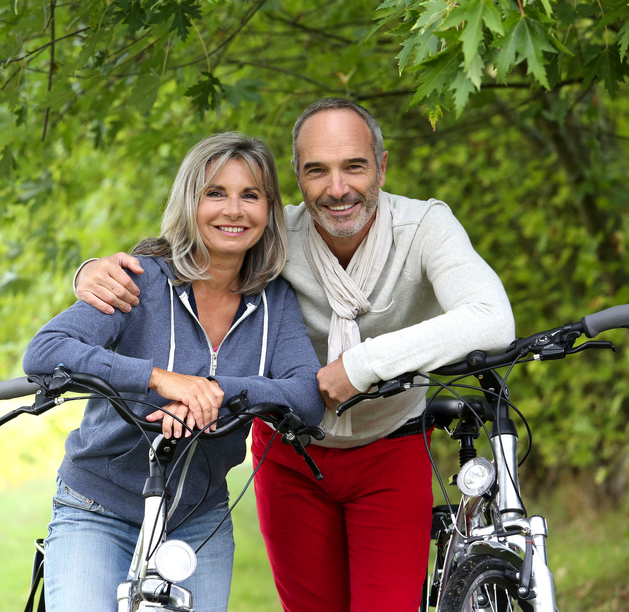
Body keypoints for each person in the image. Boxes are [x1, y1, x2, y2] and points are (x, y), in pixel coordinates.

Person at [73, 98, 515, 612]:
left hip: (390, 449)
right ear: (297, 179)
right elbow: (182, 261)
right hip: (290, 455)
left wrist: (360, 366)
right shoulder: (272, 234)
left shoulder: (424, 228)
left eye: (354, 166)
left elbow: (492, 318)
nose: (338, 188)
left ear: (382, 166)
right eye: (317, 171)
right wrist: (89, 274)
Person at [24, 132, 326, 612]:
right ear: (190, 201)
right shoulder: (140, 280)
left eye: (250, 195)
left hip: (197, 520)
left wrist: (213, 391)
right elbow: (46, 351)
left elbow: (306, 398)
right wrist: (161, 379)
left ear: (269, 211)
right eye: (215, 193)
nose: (234, 210)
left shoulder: (276, 300)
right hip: (98, 510)